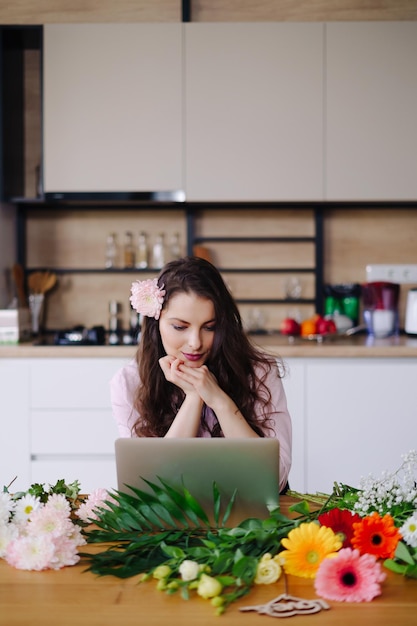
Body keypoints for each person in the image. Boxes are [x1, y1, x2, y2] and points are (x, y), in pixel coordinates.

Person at [110, 256, 292, 492]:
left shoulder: (260, 372)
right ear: (157, 324)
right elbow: (153, 489)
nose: (195, 343)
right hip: (171, 523)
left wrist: (218, 400)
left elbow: (274, 480)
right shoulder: (129, 383)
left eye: (209, 327)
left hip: (252, 517)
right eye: (180, 327)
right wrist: (193, 398)